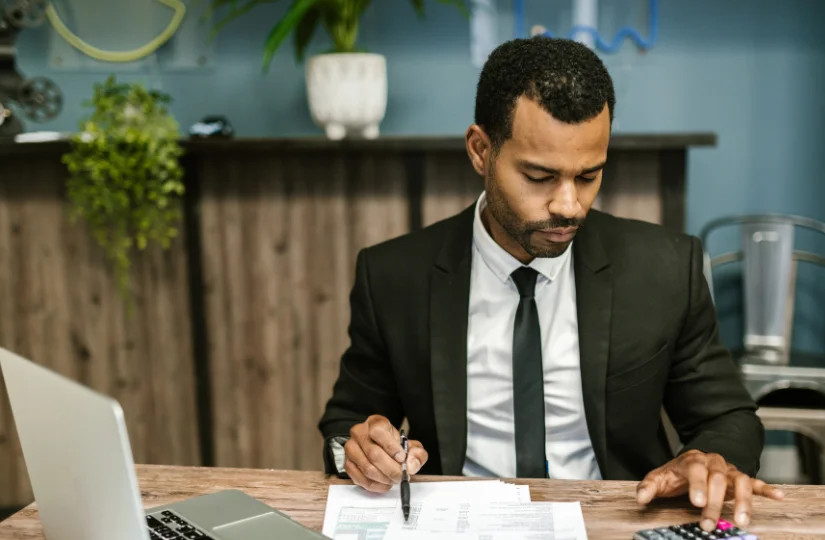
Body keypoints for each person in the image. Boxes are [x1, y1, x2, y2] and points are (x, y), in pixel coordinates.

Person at [318, 36, 782, 532]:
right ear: (481, 150)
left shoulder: (666, 269)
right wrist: (359, 450)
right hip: (456, 526)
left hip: (615, 524)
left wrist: (709, 457)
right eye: (539, 176)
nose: (568, 205)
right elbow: (347, 424)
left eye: (588, 176)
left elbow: (729, 418)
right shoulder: (394, 276)